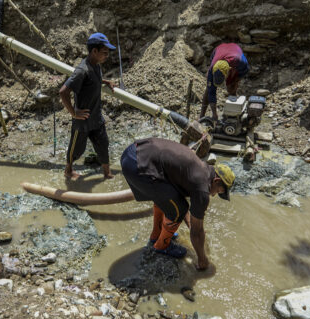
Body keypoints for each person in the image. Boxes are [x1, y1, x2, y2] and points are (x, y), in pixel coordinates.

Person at [120, 137, 235, 270]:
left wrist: (193, 225)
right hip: (139, 167)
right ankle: (162, 246)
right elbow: (197, 233)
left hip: (133, 153)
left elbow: (179, 201)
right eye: (219, 191)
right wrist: (202, 259)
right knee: (178, 210)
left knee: (168, 199)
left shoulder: (200, 168)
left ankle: (156, 236)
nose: (214, 194)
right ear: (216, 180)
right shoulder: (203, 188)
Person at [59, 32, 117, 180]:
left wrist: (105, 82)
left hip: (96, 117)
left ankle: (107, 173)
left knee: (103, 144)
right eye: (104, 53)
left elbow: (94, 80)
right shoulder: (81, 70)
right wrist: (73, 113)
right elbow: (63, 92)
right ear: (94, 51)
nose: (107, 56)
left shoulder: (96, 66)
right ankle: (68, 170)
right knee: (76, 149)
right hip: (82, 120)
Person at [200, 43, 250, 121]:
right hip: (218, 50)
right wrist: (214, 114)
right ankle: (201, 116)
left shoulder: (241, 63)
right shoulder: (211, 70)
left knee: (231, 87)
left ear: (229, 71)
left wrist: (235, 81)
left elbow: (245, 71)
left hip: (235, 49)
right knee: (209, 88)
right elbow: (211, 92)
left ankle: (233, 113)